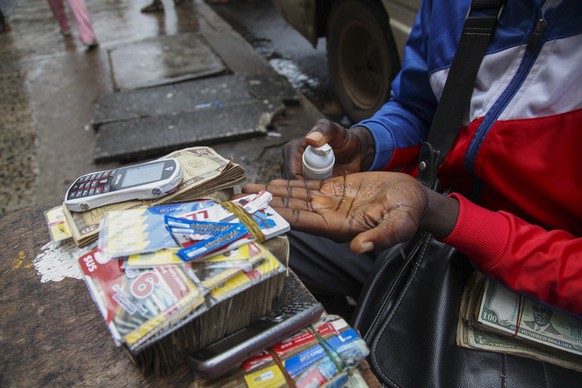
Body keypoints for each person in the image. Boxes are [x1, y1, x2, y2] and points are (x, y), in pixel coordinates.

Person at [241, 0, 582, 320]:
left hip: (539, 272)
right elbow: (418, 105)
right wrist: (367, 143)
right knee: (266, 241)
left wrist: (447, 215)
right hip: (426, 219)